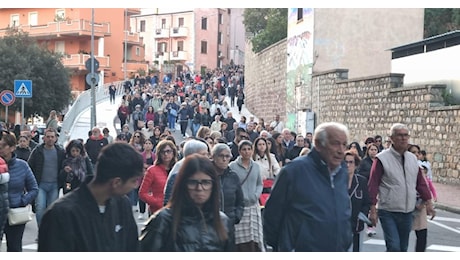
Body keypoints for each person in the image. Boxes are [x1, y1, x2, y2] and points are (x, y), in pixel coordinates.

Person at [38, 142, 144, 251]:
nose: (136, 185)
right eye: (133, 181)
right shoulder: (61, 214)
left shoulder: (122, 205)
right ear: (116, 182)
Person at [263, 122, 352, 251]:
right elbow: (272, 215)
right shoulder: (293, 172)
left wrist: (345, 239)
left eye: (344, 144)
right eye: (335, 143)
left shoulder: (342, 171)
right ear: (319, 145)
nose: (341, 150)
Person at [139, 154, 234, 252]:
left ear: (213, 185)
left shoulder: (223, 221)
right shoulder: (163, 220)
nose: (199, 188)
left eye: (206, 182)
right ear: (183, 184)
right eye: (193, 182)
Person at [368, 123, 436, 252]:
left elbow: (421, 183)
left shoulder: (412, 159)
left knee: (403, 248)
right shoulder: (382, 159)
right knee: (394, 246)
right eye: (400, 135)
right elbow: (373, 184)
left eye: (406, 135)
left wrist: (429, 203)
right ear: (392, 138)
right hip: (388, 210)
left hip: (407, 211)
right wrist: (372, 209)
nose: (403, 138)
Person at [0, 132, 38, 251]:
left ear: (12, 147)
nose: (0, 148)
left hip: (15, 214)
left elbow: (34, 188)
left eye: (3, 146)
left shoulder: (22, 166)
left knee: (15, 248)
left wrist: (23, 201)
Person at [229, 140, 264, 252]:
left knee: (254, 235)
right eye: (244, 149)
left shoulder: (256, 166)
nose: (247, 152)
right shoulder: (232, 167)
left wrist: (256, 195)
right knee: (240, 237)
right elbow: (231, 186)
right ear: (239, 151)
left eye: (249, 149)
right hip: (240, 207)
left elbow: (259, 183)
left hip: (254, 205)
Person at [27, 128, 66, 228]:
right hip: (40, 185)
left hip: (54, 185)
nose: (50, 139)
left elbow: (66, 164)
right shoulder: (38, 151)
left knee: (51, 209)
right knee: (40, 208)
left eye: (52, 137)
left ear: (56, 138)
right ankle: (42, 231)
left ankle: (49, 232)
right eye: (48, 137)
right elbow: (29, 166)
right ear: (44, 138)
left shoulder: (60, 152)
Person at [211, 143, 245, 251]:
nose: (224, 159)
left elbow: (240, 201)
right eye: (221, 156)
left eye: (227, 156)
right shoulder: (206, 175)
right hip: (210, 226)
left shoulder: (233, 176)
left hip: (229, 225)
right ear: (214, 157)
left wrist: (236, 216)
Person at [408, 145, 438, 252]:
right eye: (413, 152)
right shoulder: (403, 168)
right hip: (406, 206)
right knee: (402, 237)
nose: (416, 154)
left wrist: (428, 202)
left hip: (420, 206)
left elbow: (424, 187)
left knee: (422, 235)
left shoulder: (421, 169)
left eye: (417, 152)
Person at [163, 138, 210, 206]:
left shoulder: (206, 172)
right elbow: (169, 202)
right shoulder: (177, 174)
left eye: (207, 154)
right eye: (203, 154)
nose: (207, 158)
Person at [139, 140, 177, 216]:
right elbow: (142, 193)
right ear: (159, 154)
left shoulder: (179, 169)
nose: (166, 154)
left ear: (173, 152)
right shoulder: (152, 170)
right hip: (157, 212)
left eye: (168, 151)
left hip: (176, 211)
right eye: (163, 152)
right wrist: (156, 202)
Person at [345, 150, 371, 252]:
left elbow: (366, 202)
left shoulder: (361, 181)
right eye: (345, 162)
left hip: (356, 224)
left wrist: (361, 215)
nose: (348, 165)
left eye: (351, 162)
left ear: (356, 165)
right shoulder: (336, 181)